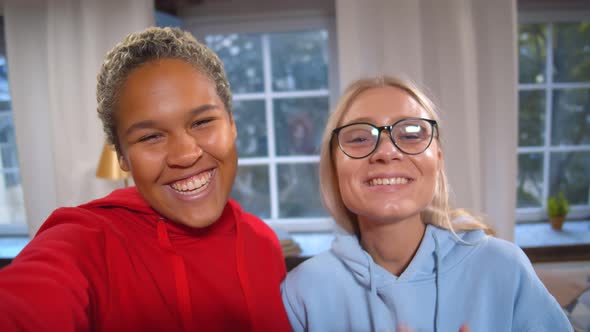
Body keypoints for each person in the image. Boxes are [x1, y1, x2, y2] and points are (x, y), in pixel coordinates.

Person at [0, 27, 291, 331]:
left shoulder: (264, 243)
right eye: (151, 136)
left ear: (231, 124)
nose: (185, 154)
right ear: (123, 157)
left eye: (203, 122)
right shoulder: (86, 243)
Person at [281, 76, 572, 331]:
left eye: (410, 135)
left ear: (438, 161)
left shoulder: (504, 268)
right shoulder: (301, 292)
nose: (386, 152)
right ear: (334, 167)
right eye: (359, 138)